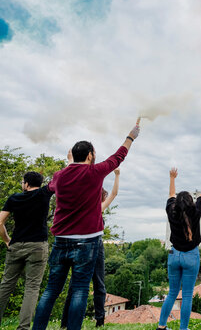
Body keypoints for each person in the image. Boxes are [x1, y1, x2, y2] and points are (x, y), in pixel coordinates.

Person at [32, 122, 140, 330]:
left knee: (51, 290)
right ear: (90, 155)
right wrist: (131, 137)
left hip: (61, 241)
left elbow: (53, 186)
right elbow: (118, 157)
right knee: (80, 290)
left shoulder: (59, 176)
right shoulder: (95, 172)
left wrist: (70, 162)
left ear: (72, 154)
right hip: (87, 242)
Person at [157, 167, 201, 330]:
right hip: (191, 256)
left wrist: (172, 178)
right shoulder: (196, 210)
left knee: (172, 293)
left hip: (174, 255)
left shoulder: (171, 210)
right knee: (186, 295)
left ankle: (161, 326)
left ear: (177, 203)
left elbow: (171, 194)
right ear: (191, 202)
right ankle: (183, 329)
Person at [60, 165, 121, 328]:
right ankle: (99, 320)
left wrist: (71, 162)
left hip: (78, 246)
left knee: (75, 284)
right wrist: (117, 175)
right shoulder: (97, 208)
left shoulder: (80, 208)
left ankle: (65, 322)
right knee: (99, 284)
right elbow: (114, 194)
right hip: (94, 247)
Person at [0, 172, 55, 330]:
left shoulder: (14, 198)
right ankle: (23, 327)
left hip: (16, 245)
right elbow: (60, 178)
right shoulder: (44, 193)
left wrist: (6, 240)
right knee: (31, 287)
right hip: (38, 246)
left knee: (6, 285)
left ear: (27, 184)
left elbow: (0, 221)